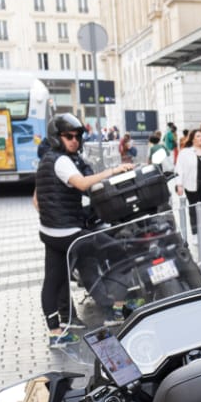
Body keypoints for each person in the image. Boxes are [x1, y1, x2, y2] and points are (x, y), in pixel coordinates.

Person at [34, 112, 134, 346]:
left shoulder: (46, 161)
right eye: (68, 136)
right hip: (69, 234)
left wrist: (52, 215)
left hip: (50, 233)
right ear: (57, 138)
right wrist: (113, 171)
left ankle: (56, 333)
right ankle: (116, 310)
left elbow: (36, 201)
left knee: (53, 281)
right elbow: (81, 183)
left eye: (77, 136)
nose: (74, 141)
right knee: (120, 253)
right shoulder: (61, 161)